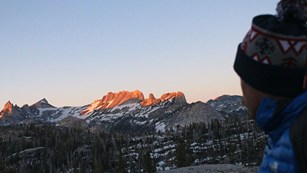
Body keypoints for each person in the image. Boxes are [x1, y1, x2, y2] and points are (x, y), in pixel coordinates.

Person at [233, 0, 307, 172]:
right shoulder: (287, 130)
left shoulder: (299, 138)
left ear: (263, 83)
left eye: (244, 81)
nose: (242, 94)